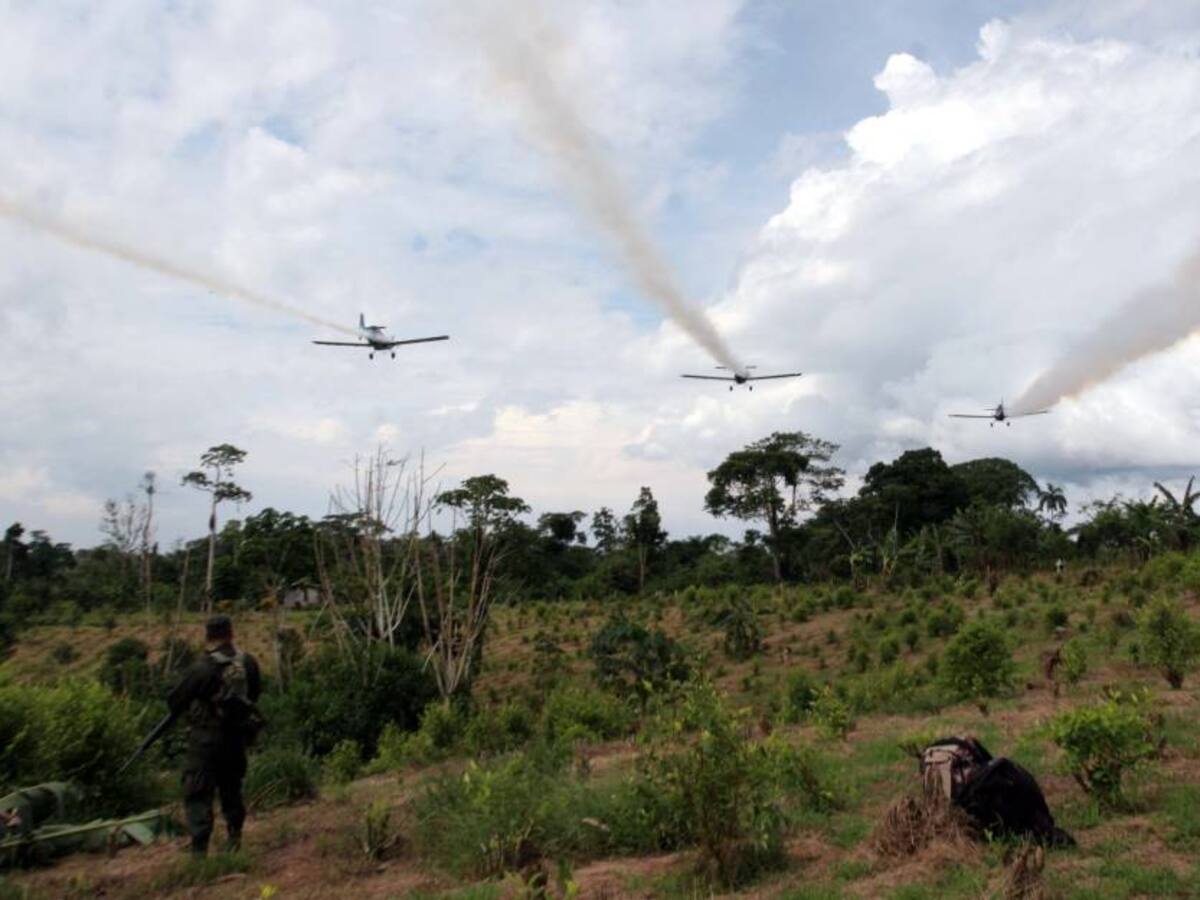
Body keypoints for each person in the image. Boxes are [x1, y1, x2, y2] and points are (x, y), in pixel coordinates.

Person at [167, 615, 262, 855]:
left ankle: (199, 851)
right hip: (235, 739)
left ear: (208, 637)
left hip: (205, 741)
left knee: (198, 793)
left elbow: (175, 701)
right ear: (231, 633)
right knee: (232, 790)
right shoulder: (248, 663)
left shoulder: (202, 668)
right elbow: (255, 695)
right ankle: (234, 840)